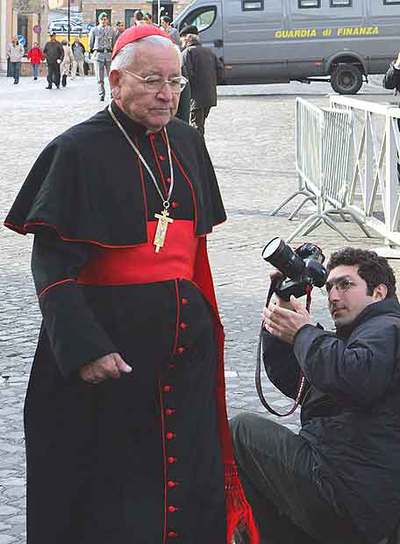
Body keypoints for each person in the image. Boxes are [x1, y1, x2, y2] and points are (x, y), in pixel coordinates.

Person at [4, 24, 258, 544]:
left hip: (184, 362)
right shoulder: (75, 150)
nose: (167, 94)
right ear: (115, 80)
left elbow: (195, 254)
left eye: (175, 82)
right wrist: (85, 350)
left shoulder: (188, 142)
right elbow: (52, 271)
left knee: (189, 482)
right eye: (151, 81)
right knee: (112, 497)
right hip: (111, 360)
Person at [231, 247, 400, 544]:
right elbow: (298, 381)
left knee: (241, 430)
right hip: (344, 486)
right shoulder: (355, 340)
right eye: (330, 287)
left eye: (346, 285)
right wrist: (284, 306)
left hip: (349, 493)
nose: (334, 296)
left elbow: (353, 376)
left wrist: (304, 334)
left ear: (379, 292)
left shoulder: (386, 328)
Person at [182, 33, 224, 136]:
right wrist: (212, 83)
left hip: (196, 95)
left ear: (187, 41)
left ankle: (198, 148)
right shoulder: (209, 51)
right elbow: (220, 70)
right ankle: (199, 145)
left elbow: (186, 73)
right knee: (200, 123)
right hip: (209, 94)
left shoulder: (187, 52)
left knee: (196, 125)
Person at [89, 12, 116, 101]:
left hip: (108, 54)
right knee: (99, 77)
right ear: (99, 20)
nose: (103, 21)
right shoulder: (94, 30)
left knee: (111, 76)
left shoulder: (111, 30)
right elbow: (91, 43)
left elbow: (114, 43)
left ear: (107, 20)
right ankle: (101, 94)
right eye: (102, 19)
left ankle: (112, 93)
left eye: (105, 19)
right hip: (98, 54)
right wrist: (93, 52)